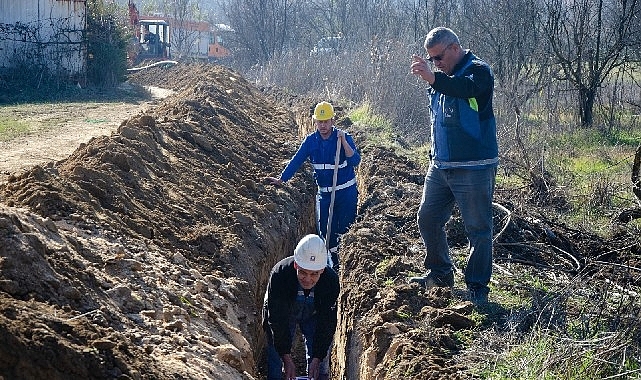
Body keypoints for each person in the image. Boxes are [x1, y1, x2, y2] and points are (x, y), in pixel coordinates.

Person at [409, 27, 498, 305]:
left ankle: (477, 288)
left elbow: (466, 90)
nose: (435, 63)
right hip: (441, 166)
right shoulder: (441, 78)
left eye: (438, 57)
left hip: (473, 166)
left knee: (478, 229)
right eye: (431, 59)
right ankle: (440, 273)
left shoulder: (478, 72)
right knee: (428, 218)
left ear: (454, 48)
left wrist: (433, 78)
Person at [266, 101, 360, 269]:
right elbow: (296, 161)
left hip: (346, 193)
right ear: (315, 122)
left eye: (326, 121)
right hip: (325, 195)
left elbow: (355, 160)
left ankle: (345, 266)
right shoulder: (311, 141)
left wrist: (344, 143)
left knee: (345, 230)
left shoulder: (343, 138)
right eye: (319, 122)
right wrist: (282, 179)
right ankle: (332, 265)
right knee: (326, 233)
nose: (323, 125)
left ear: (332, 120)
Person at [262, 234, 340, 380]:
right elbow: (277, 319)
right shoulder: (280, 274)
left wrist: (317, 357)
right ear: (296, 265)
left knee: (320, 366)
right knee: (276, 357)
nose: (308, 279)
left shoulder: (330, 281)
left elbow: (326, 323)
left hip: (314, 314)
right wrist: (286, 356)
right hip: (284, 313)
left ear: (322, 270)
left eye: (314, 274)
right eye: (303, 272)